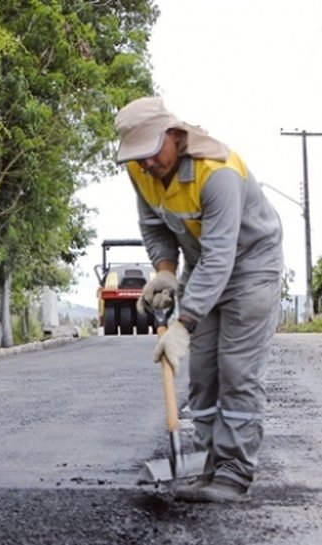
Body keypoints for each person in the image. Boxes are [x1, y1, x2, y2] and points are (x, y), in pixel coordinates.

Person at [114, 97, 283, 503]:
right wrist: (166, 272)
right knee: (203, 373)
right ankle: (209, 463)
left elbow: (222, 256)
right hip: (202, 263)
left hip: (251, 266)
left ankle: (235, 472)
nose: (146, 164)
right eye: (137, 157)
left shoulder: (218, 172)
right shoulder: (143, 172)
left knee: (237, 370)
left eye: (151, 152)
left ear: (174, 136)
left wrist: (183, 324)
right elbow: (154, 226)